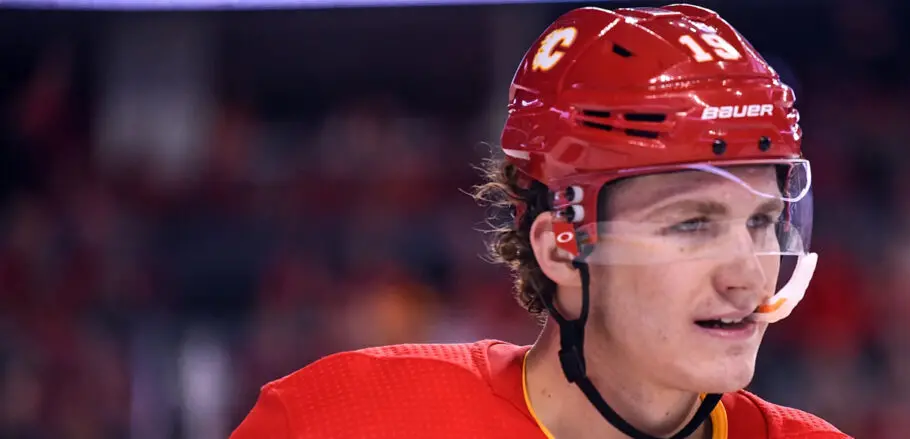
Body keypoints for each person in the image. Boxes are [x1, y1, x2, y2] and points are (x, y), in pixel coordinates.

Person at [231, 4, 848, 438]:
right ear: (561, 247)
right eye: (692, 224)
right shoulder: (340, 423)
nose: (748, 275)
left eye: (763, 221)